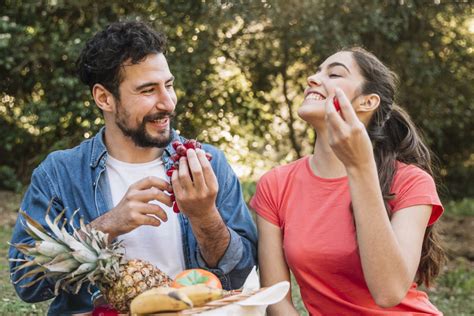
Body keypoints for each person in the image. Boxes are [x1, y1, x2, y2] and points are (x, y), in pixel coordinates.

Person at [9, 21, 257, 315]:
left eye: (169, 85)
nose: (168, 103)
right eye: (148, 90)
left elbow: (243, 274)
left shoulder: (207, 164)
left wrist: (205, 216)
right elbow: (27, 281)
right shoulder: (59, 174)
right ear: (104, 98)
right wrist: (107, 226)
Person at [250, 47, 445, 315]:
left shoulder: (411, 182)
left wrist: (360, 167)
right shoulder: (275, 184)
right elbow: (275, 298)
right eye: (317, 72)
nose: (313, 79)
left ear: (367, 102)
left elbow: (389, 292)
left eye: (334, 74)